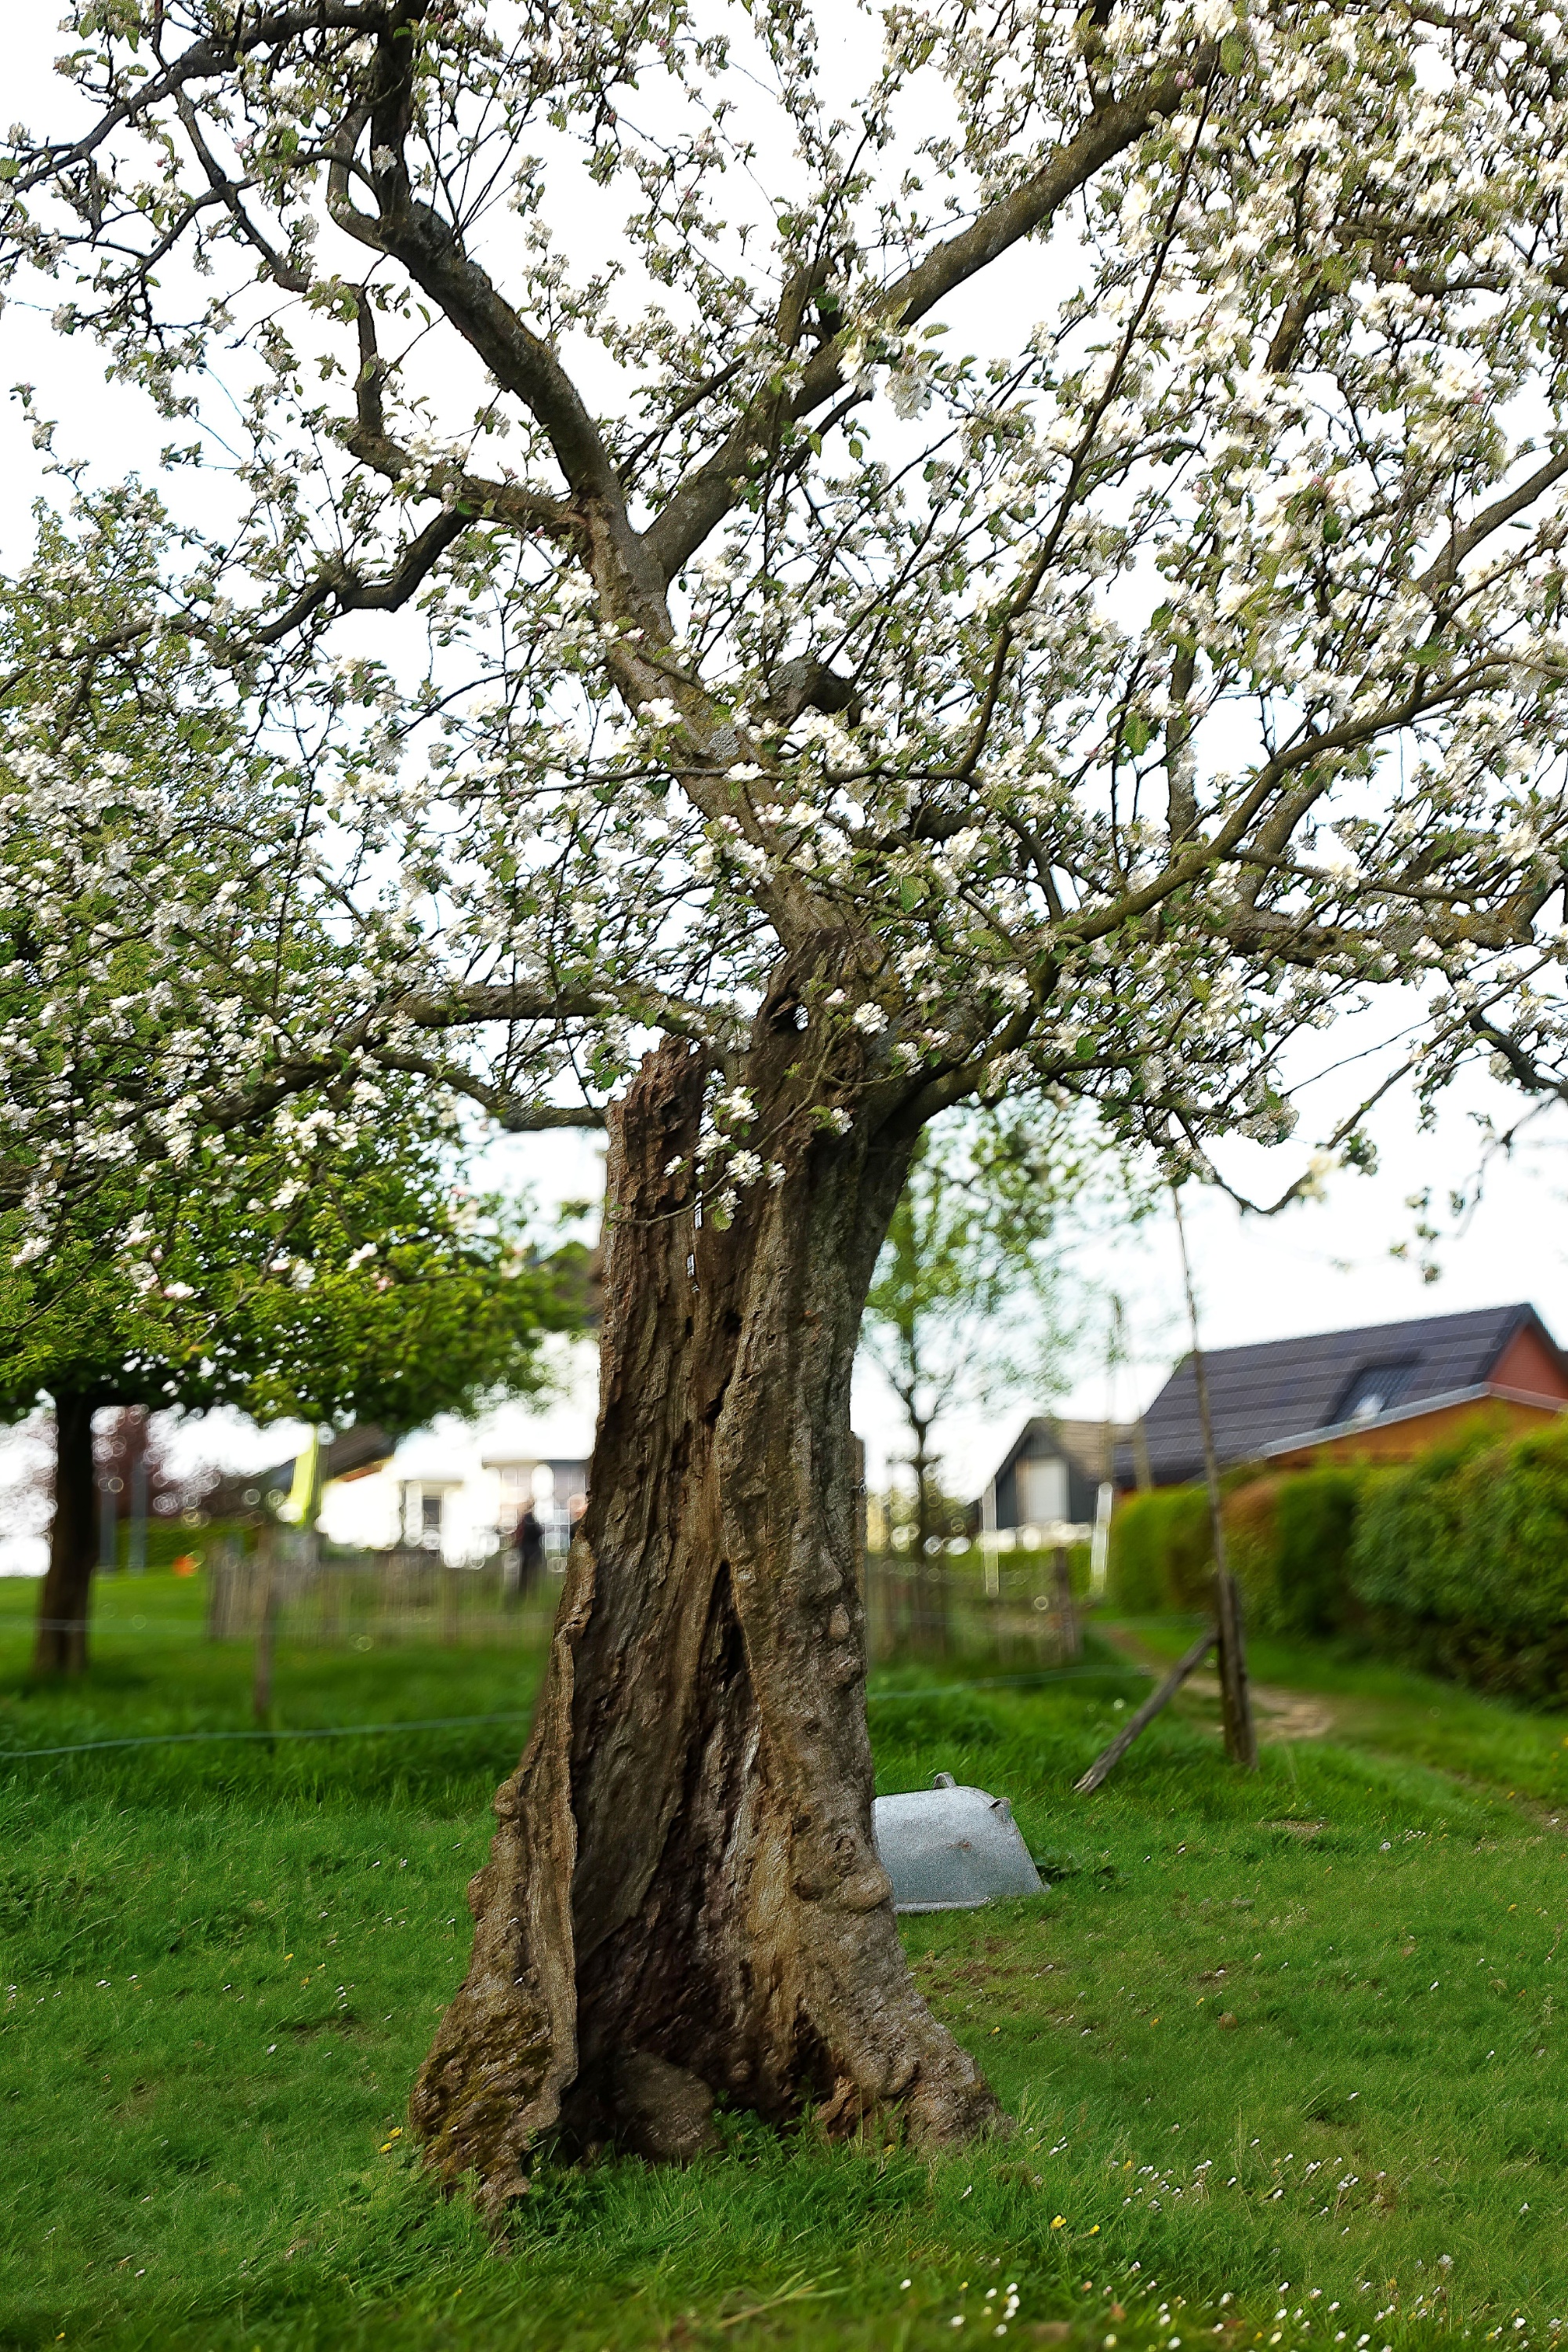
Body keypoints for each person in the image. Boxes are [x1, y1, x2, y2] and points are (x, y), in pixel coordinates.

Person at [514, 1505, 545, 1601]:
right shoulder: (534, 1523)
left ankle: (522, 1593)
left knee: (524, 1574)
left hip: (525, 1551)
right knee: (532, 1574)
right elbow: (540, 1534)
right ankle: (531, 1594)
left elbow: (519, 1536)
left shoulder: (524, 1523)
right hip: (534, 1551)